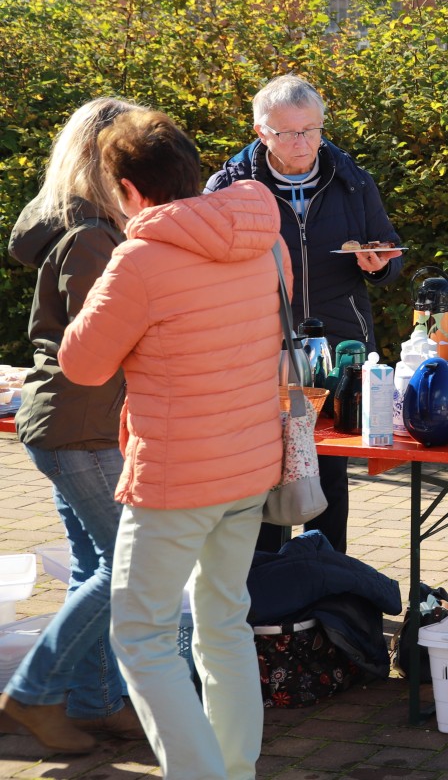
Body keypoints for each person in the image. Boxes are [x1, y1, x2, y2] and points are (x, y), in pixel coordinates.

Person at [57, 108, 287, 780]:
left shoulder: (141, 258)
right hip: (249, 466)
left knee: (142, 636)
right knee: (225, 623)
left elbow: (83, 364)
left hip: (176, 476)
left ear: (128, 190)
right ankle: (234, 769)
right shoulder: (260, 235)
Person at [0, 98, 145, 754]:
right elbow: (103, 342)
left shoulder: (92, 229)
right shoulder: (92, 238)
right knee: (125, 567)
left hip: (73, 425)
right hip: (77, 428)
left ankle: (95, 700)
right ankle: (32, 695)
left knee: (96, 563)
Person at [204, 74, 401, 554]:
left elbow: (388, 259)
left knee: (329, 470)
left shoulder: (353, 181)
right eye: (289, 133)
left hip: (340, 349)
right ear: (260, 132)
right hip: (261, 347)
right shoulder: (229, 187)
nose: (304, 143)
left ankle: (328, 588)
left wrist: (377, 266)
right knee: (265, 473)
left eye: (312, 130)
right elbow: (206, 271)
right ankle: (270, 593)